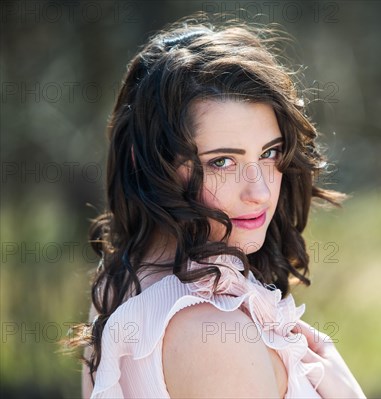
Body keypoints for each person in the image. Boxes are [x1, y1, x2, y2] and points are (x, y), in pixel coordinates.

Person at [74, 13, 365, 399]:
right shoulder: (213, 334)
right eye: (222, 162)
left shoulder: (117, 285)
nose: (259, 192)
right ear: (143, 161)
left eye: (269, 152)